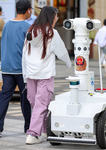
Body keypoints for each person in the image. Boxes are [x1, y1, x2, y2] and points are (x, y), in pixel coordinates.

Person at [23, 6, 72, 144]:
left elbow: (24, 54)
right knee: (41, 105)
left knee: (36, 104)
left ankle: (45, 131)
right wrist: (69, 63)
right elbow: (61, 51)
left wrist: (25, 74)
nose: (57, 18)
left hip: (31, 74)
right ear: (51, 17)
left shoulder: (31, 31)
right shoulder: (52, 32)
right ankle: (32, 134)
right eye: (56, 16)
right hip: (45, 74)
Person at [0, 0, 32, 138]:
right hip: (21, 69)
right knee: (25, 99)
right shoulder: (27, 27)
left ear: (16, 10)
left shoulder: (7, 25)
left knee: (4, 97)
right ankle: (28, 128)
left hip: (7, 68)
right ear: (28, 11)